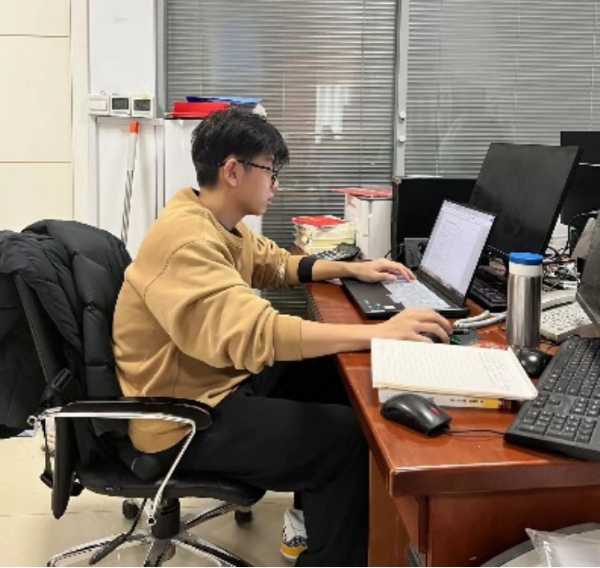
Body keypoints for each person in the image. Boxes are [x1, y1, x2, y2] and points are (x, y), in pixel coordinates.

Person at [112, 108, 452, 568]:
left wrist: (352, 268)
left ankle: (312, 518)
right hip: (182, 418)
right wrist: (378, 333)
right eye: (271, 171)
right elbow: (259, 333)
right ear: (233, 171)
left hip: (214, 384)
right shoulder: (188, 242)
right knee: (347, 442)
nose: (276, 184)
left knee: (332, 377)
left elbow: (275, 264)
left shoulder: (214, 220)